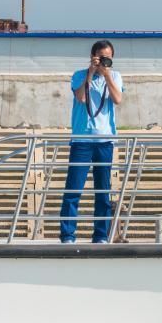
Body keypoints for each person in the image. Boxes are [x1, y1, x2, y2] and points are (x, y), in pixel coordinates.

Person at [59, 39, 124, 244]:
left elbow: (117, 99)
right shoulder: (79, 75)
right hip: (81, 140)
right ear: (93, 57)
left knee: (102, 191)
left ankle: (101, 236)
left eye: (108, 58)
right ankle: (68, 235)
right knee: (73, 189)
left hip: (104, 140)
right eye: (101, 58)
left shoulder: (115, 76)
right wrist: (90, 73)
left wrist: (106, 76)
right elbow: (81, 98)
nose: (105, 61)